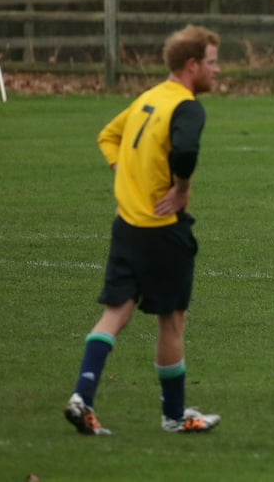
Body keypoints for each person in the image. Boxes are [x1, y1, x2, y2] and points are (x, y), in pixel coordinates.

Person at [64, 25, 222, 435]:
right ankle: (174, 416)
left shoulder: (148, 98)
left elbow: (108, 136)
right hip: (161, 229)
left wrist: (126, 177)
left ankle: (82, 396)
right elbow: (185, 149)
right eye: (211, 62)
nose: (217, 70)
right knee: (171, 320)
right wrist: (182, 189)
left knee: (116, 313)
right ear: (192, 66)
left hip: (126, 224)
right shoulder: (186, 106)